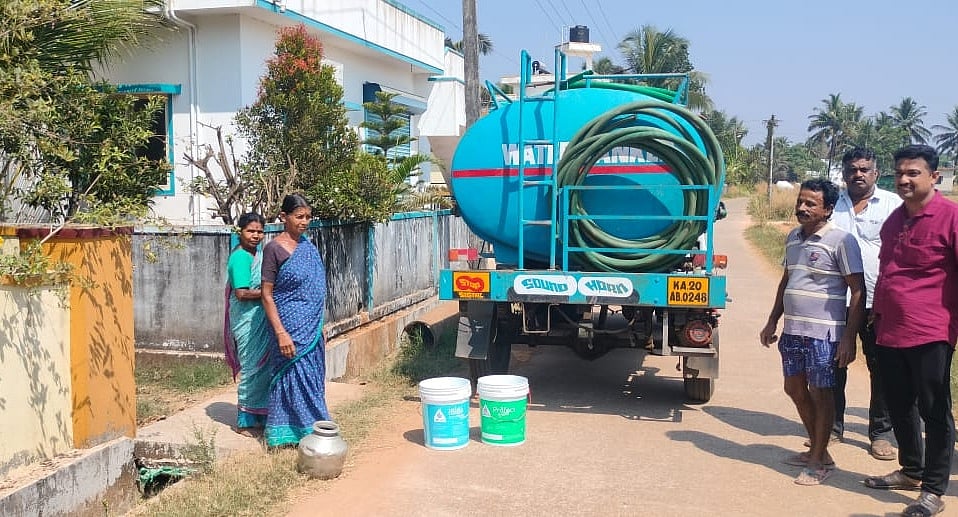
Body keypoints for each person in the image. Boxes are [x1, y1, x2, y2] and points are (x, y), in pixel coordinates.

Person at [864, 145, 958, 516]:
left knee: (935, 410)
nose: (904, 179)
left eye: (913, 173)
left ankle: (933, 490)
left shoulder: (950, 217)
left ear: (934, 177)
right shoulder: (895, 220)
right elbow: (887, 270)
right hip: (890, 329)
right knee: (900, 405)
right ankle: (911, 470)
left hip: (931, 330)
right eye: (899, 172)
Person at [759, 178, 866, 486]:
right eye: (800, 202)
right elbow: (787, 280)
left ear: (828, 209)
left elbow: (858, 291)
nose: (802, 208)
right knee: (793, 388)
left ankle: (818, 460)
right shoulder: (793, 238)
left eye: (811, 204)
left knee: (821, 393)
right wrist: (772, 320)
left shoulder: (841, 241)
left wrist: (848, 337)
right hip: (793, 330)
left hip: (825, 334)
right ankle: (820, 451)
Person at [828, 148, 900, 460]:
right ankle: (832, 427)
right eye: (852, 169)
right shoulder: (832, 204)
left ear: (875, 173)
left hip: (877, 301)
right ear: (844, 173)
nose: (858, 174)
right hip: (835, 300)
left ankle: (880, 434)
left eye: (864, 169)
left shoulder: (893, 205)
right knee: (833, 364)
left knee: (880, 368)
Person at [261, 194, 330, 448]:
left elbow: (315, 288)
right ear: (284, 217)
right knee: (290, 377)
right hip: (287, 325)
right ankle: (293, 431)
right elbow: (267, 295)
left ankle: (312, 429)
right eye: (299, 216)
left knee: (311, 377)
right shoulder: (274, 249)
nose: (304, 222)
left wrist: (319, 325)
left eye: (308, 217)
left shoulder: (308, 247)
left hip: (311, 327)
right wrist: (281, 333)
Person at [224, 212, 270, 437]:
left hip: (260, 317)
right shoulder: (240, 257)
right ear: (240, 232)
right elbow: (241, 293)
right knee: (252, 368)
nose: (255, 236)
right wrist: (269, 293)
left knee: (264, 367)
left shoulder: (258, 255)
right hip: (247, 320)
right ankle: (244, 420)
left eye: (260, 232)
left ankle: (261, 415)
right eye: (250, 231)